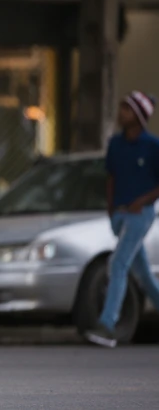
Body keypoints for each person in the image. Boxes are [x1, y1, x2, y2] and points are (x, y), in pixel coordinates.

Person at [86, 91, 159, 348]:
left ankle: (108, 324)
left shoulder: (152, 146)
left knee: (118, 264)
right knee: (144, 276)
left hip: (141, 215)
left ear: (139, 116)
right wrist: (111, 209)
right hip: (120, 215)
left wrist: (143, 200)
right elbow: (111, 177)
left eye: (127, 110)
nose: (121, 114)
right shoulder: (116, 144)